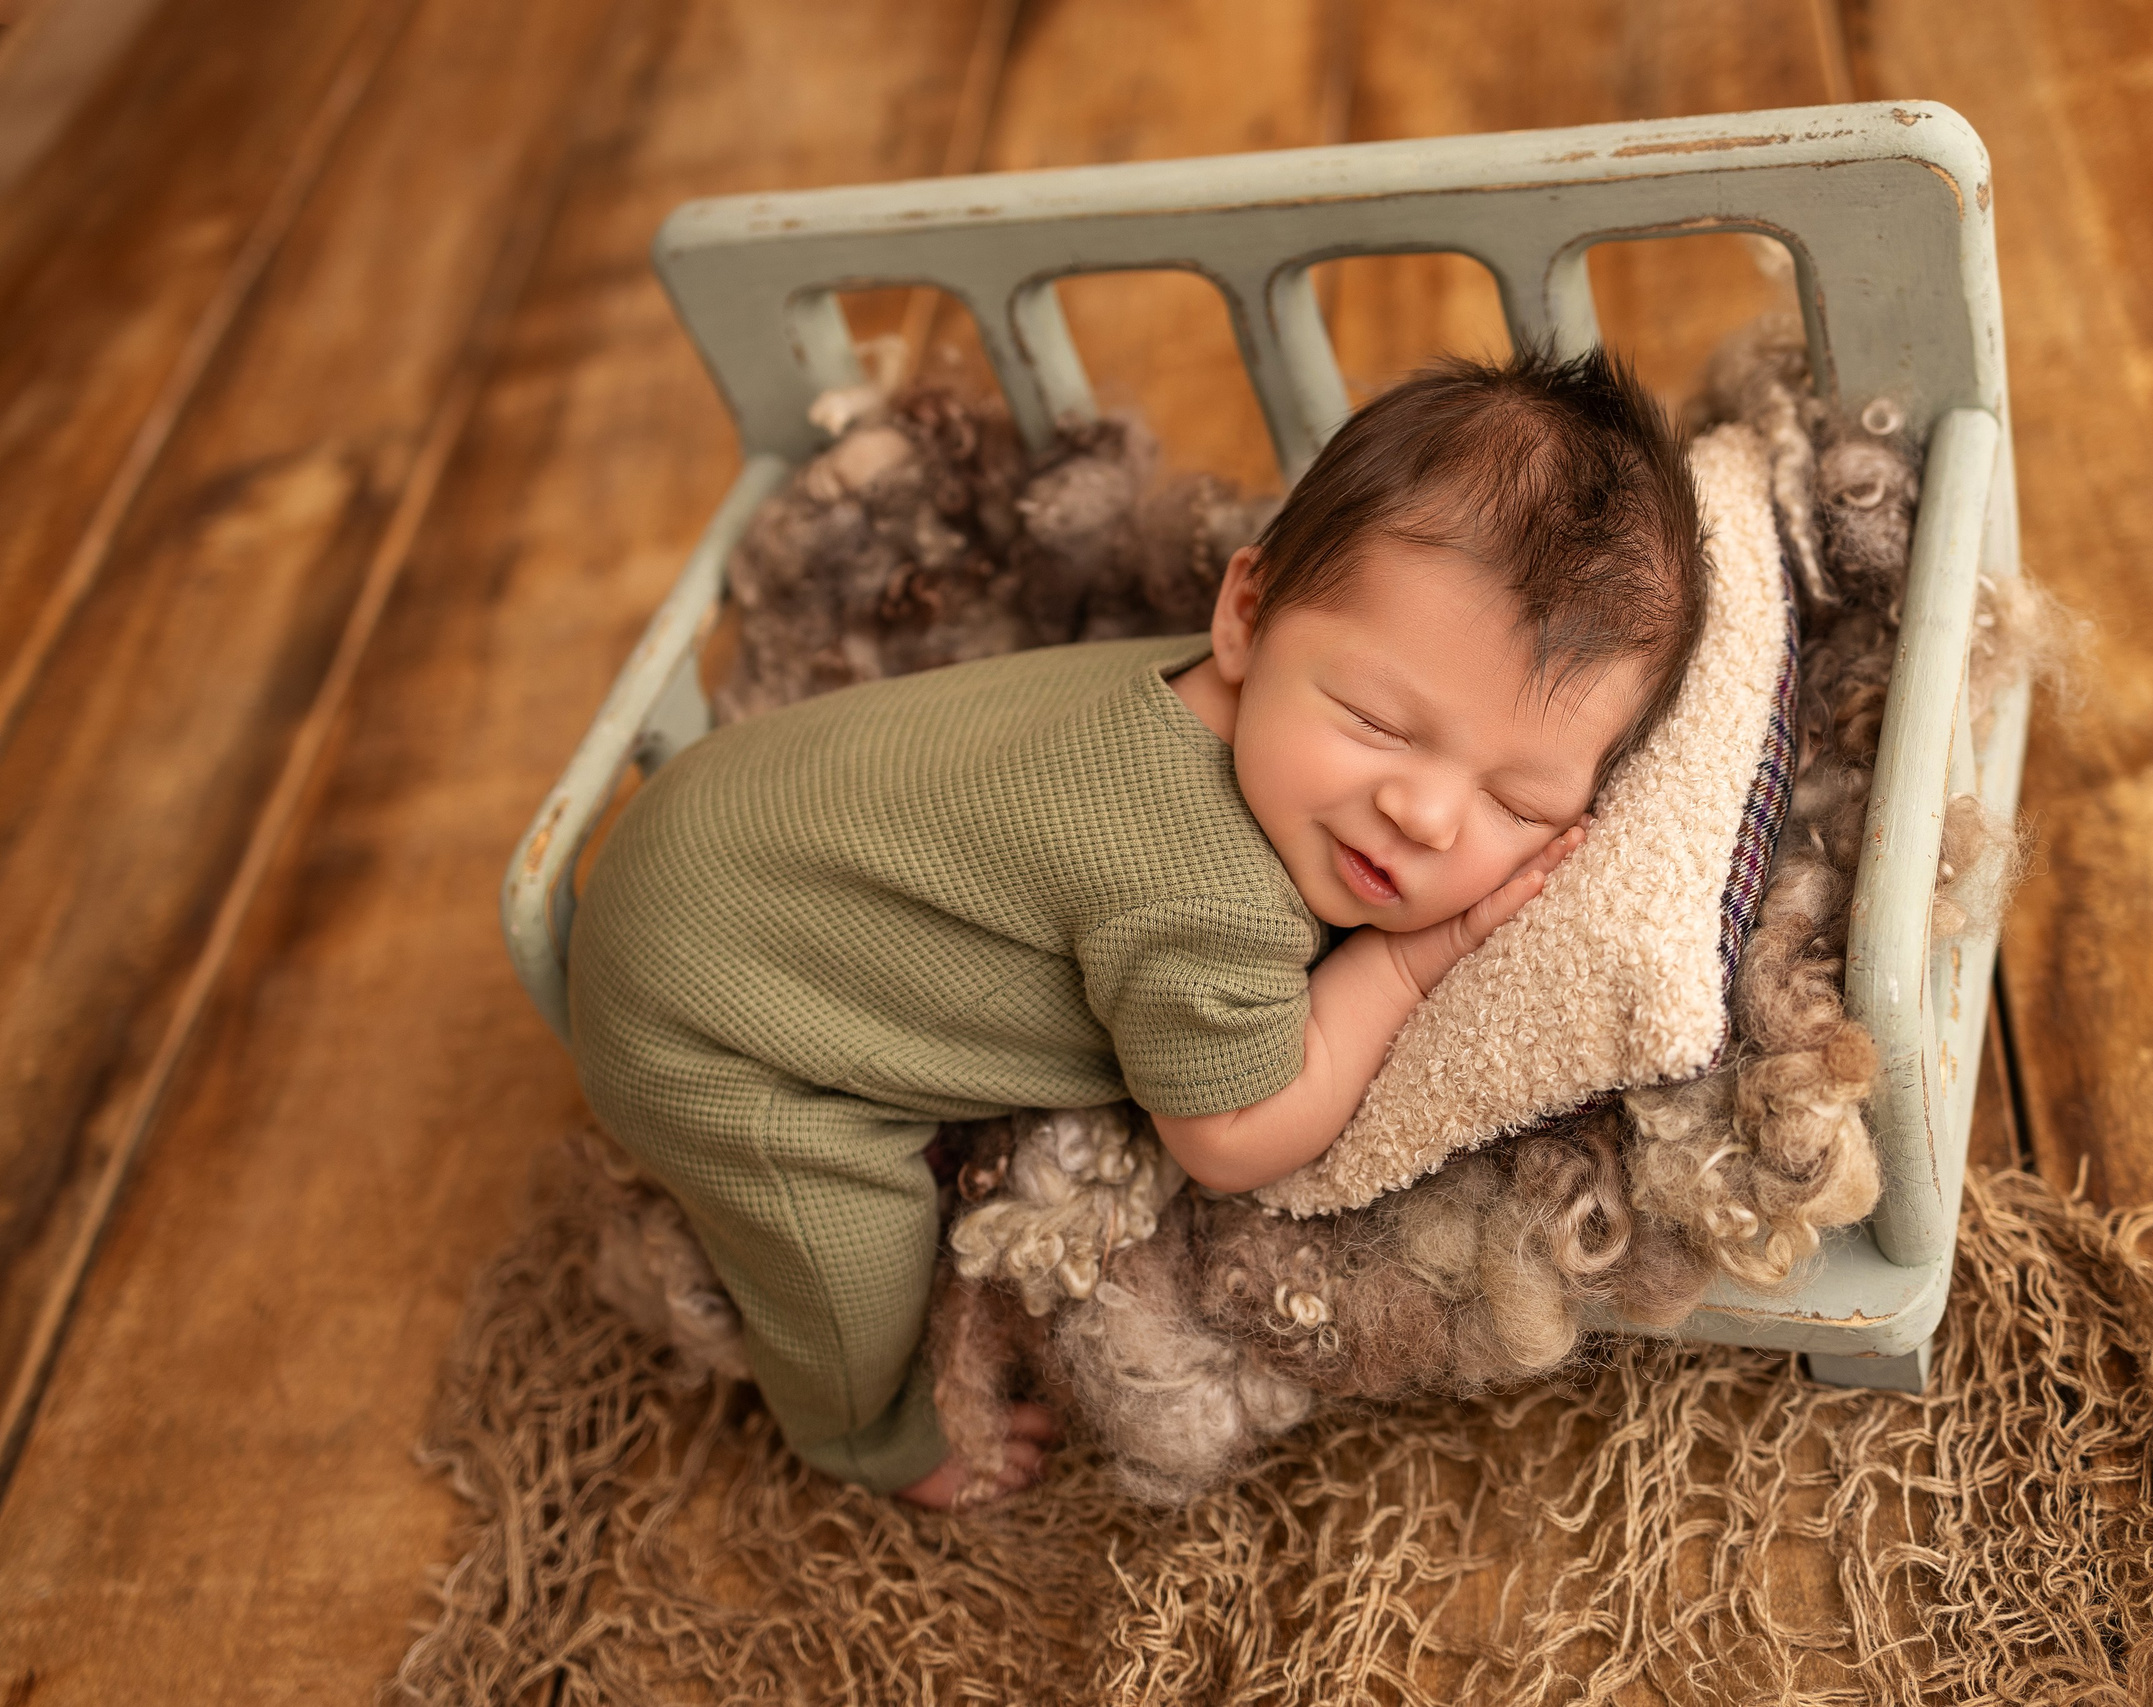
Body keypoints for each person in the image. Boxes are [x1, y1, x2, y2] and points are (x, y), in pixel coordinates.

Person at [566, 344, 1705, 1506]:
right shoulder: (1207, 896)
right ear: (1245, 616)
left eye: (1517, 802)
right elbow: (1234, 1135)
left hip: (722, 823)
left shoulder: (1232, 703)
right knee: (843, 1258)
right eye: (1374, 721)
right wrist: (1413, 963)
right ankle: (864, 1441)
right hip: (700, 1020)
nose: (1420, 814)